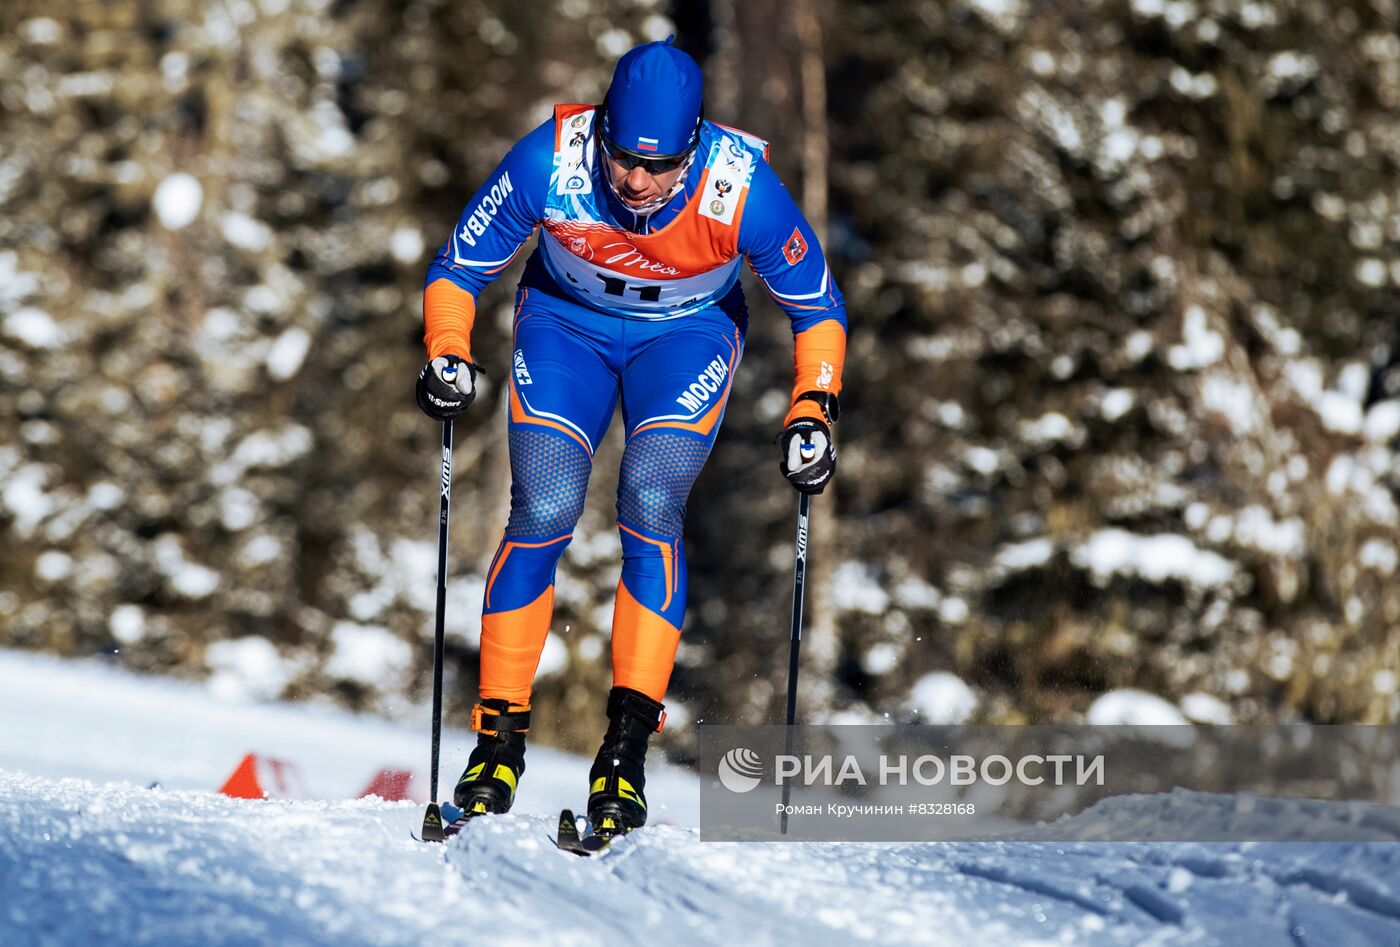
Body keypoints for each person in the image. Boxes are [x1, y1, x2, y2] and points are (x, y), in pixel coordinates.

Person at [414, 38, 846, 836]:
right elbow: (457, 268)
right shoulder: (553, 160)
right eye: (622, 159)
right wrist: (447, 350)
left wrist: (812, 407)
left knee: (652, 499)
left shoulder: (740, 188)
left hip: (686, 335)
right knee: (542, 507)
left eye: (661, 166)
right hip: (565, 326)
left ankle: (624, 751)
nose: (637, 182)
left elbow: (818, 307)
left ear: (696, 145)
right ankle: (497, 739)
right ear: (603, 131)